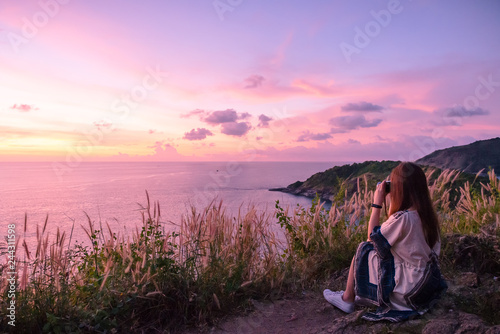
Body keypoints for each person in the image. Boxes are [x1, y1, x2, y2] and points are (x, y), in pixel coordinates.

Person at [323, 162, 447, 322]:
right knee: (381, 252)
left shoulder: (404, 218)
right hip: (426, 285)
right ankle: (354, 296)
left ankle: (347, 298)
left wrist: (377, 203)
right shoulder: (427, 216)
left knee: (363, 249)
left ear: (399, 189)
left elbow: (371, 239)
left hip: (409, 291)